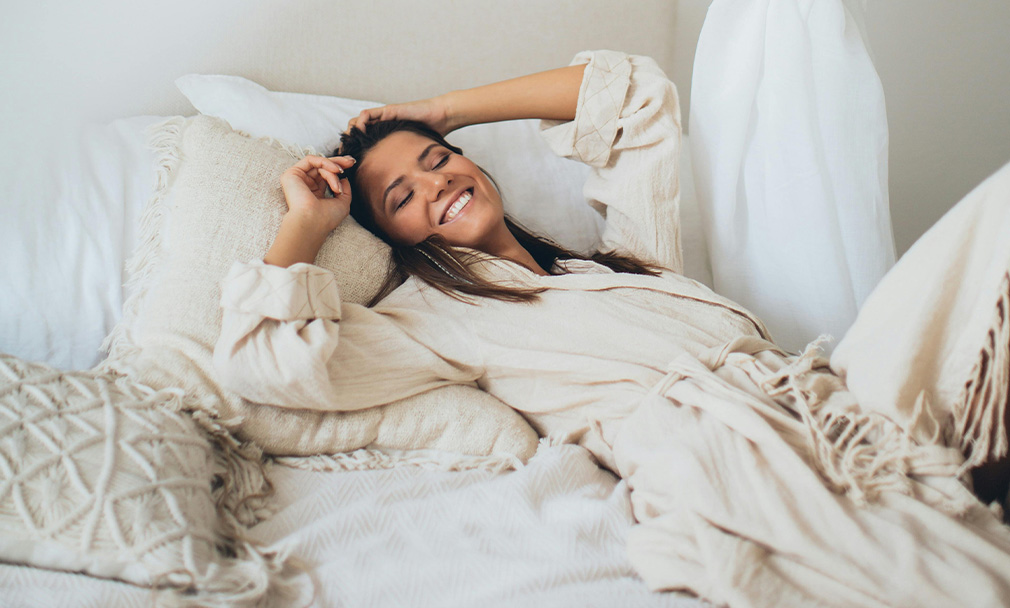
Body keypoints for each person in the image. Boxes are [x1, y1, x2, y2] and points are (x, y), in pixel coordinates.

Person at [214, 51, 1010, 606]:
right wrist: (308, 224)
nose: (438, 182)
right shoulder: (432, 319)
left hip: (836, 405)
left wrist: (441, 108)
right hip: (728, 453)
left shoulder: (623, 259)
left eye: (437, 159)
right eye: (402, 198)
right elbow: (269, 364)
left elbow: (633, 96)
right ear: (400, 240)